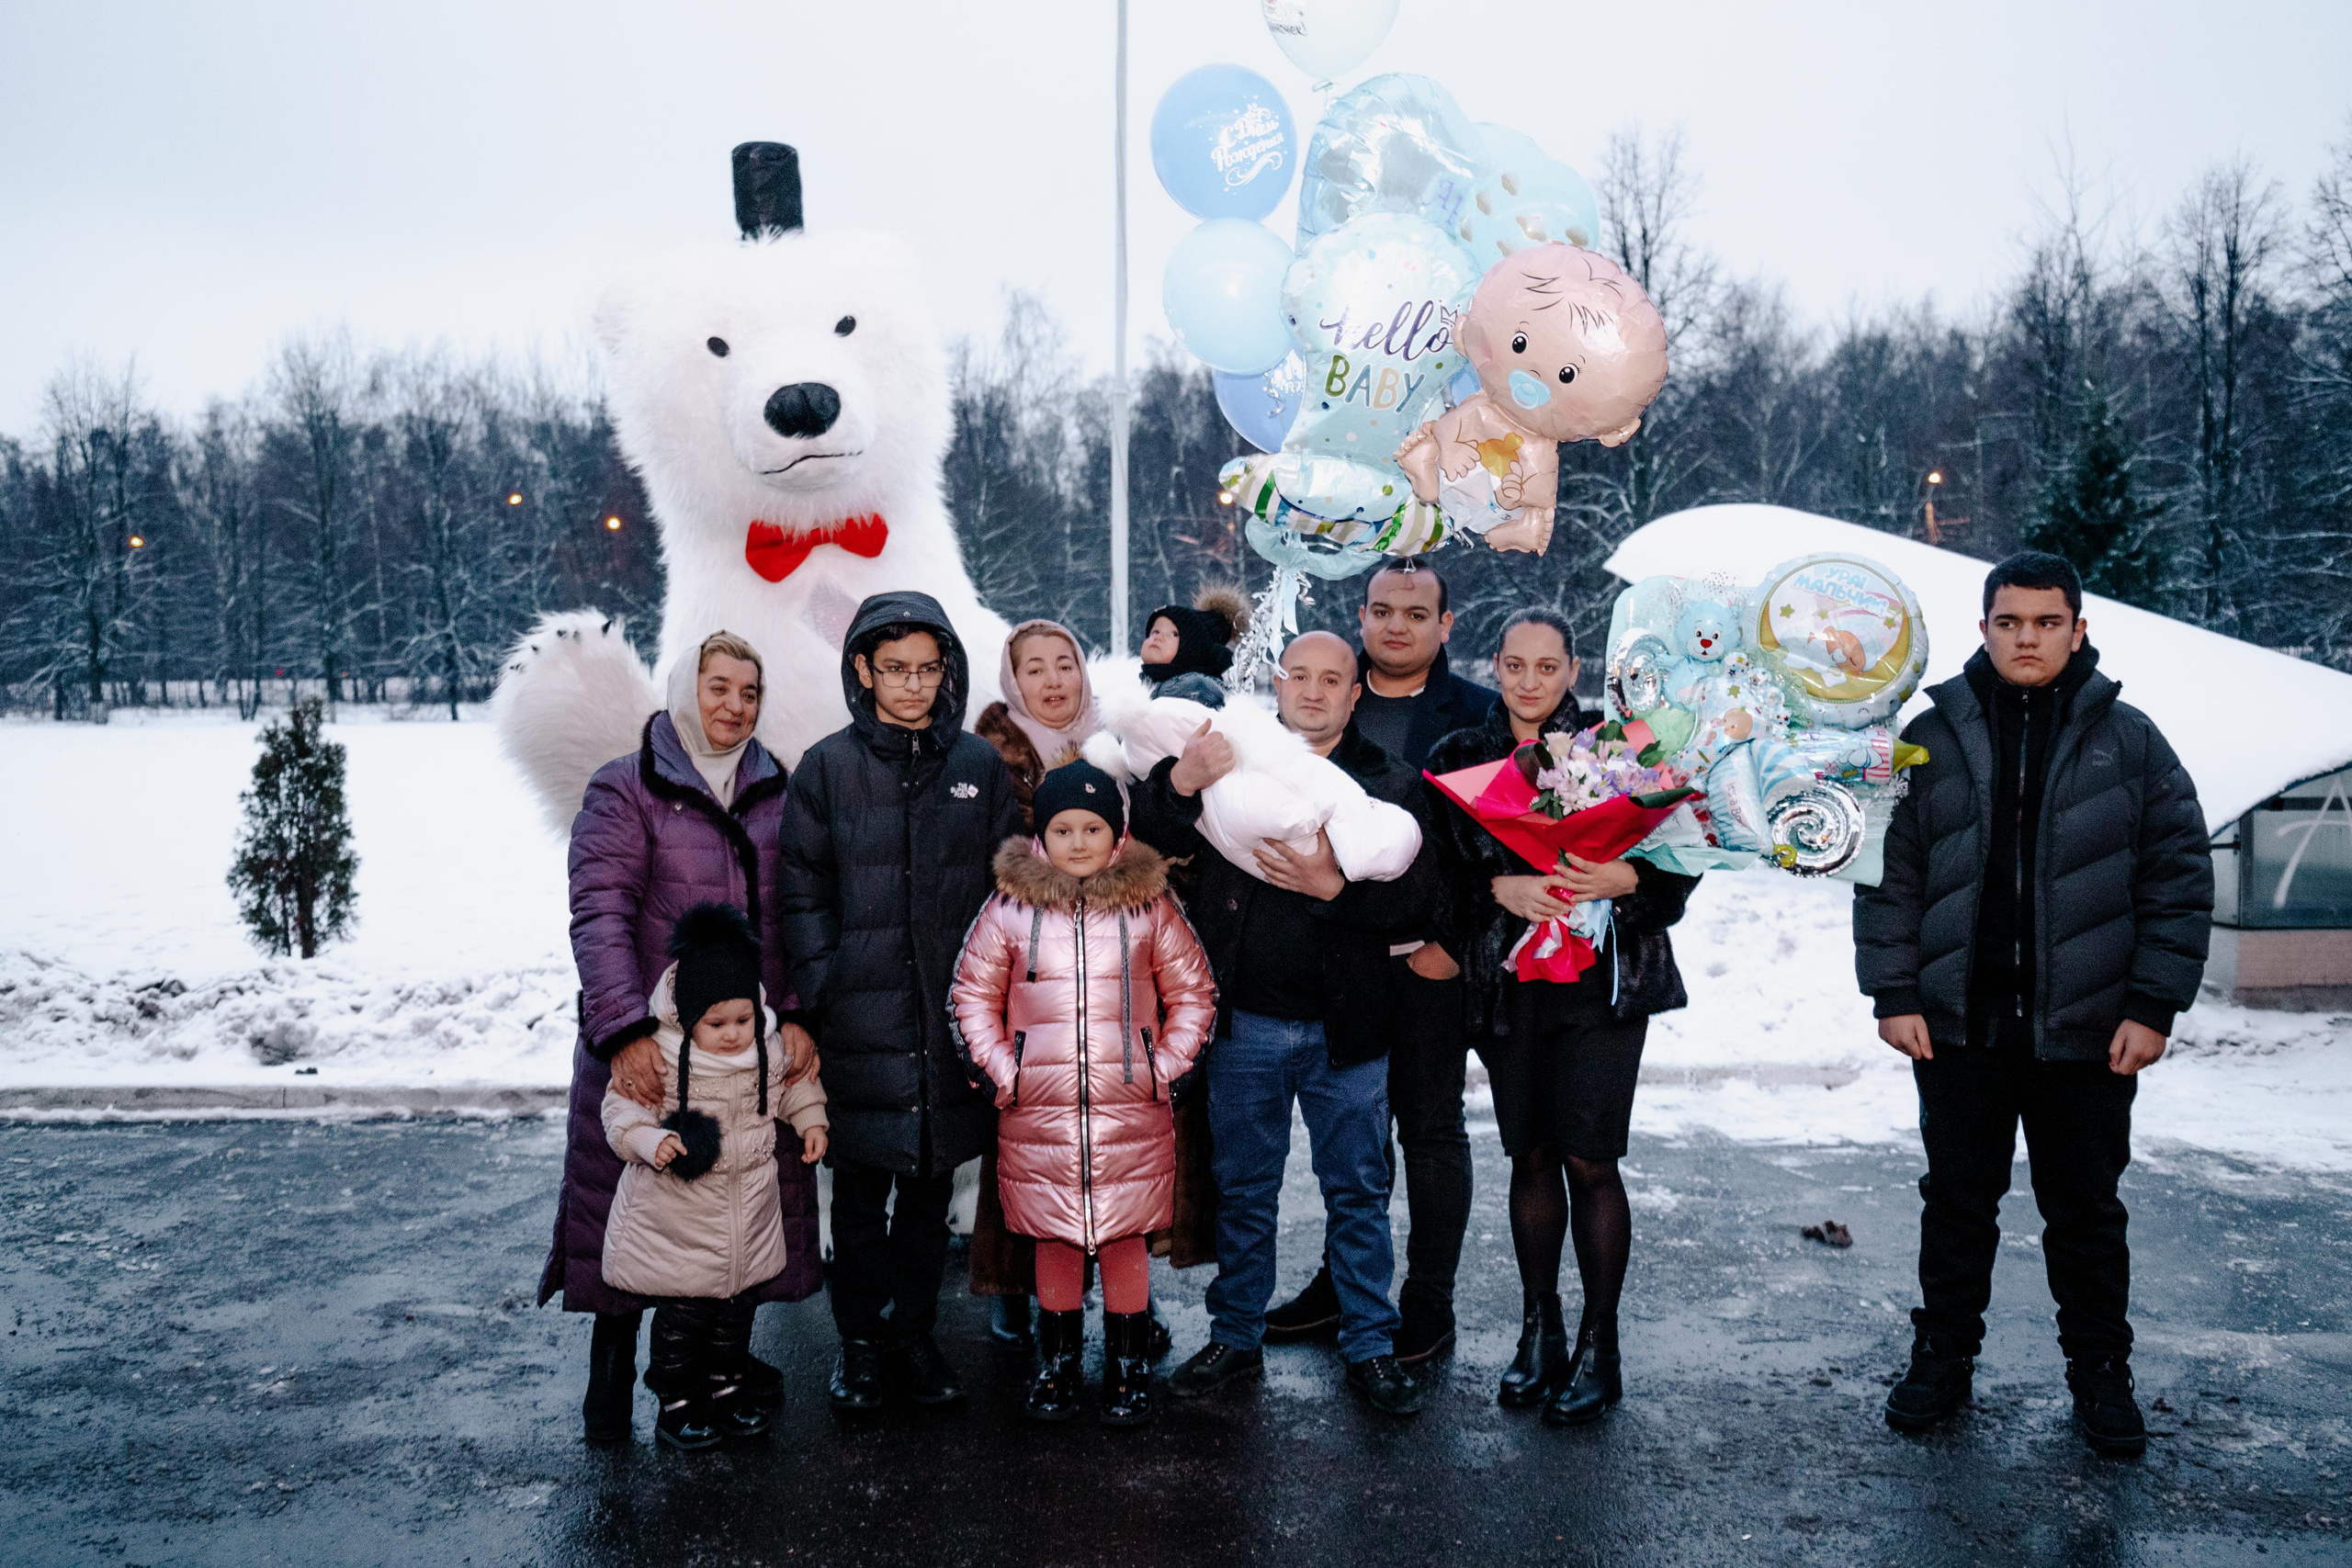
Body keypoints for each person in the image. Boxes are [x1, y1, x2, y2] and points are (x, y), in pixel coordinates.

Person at [1856, 551, 2212, 1457]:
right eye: (2009, 622)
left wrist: (2153, 1004)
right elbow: (1884, 874)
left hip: (2088, 1033)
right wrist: (1894, 990)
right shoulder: (1923, 735)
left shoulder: (2130, 741)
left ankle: (2100, 1375)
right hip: (1960, 1027)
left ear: (2077, 630)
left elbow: (2177, 879)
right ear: (1983, 629)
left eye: (2046, 622)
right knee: (1957, 1205)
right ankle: (1941, 1359)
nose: (2027, 638)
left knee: (2086, 1214)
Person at [1133, 629, 1436, 1418]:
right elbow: (1147, 838)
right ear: (1276, 682)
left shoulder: (1392, 782)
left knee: (1359, 1194)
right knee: (1245, 1191)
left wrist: (1335, 885)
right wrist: (1178, 783)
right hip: (1247, 1022)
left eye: (1330, 678)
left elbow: (1425, 900)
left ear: (1354, 690)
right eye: (1297, 675)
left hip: (1349, 1029)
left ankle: (1371, 1343)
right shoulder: (1232, 750)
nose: (1312, 690)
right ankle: (1236, 1337)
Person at [544, 629, 820, 1445]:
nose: (735, 705)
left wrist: (797, 1013)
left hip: (745, 1051)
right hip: (649, 1048)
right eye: (718, 686)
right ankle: (612, 1383)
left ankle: (718, 1373)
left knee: (731, 1213)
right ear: (681, 689)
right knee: (631, 1216)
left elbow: (799, 912)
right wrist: (623, 1026)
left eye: (749, 691)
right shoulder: (625, 788)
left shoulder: (778, 788)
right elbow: (600, 913)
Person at [1424, 610, 1700, 1427]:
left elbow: (1677, 878)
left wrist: (1628, 880)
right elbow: (1433, 878)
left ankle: (1599, 1344)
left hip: (1603, 984)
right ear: (1497, 665)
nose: (1531, 681)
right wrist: (1496, 891)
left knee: (1590, 1158)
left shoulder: (1624, 755)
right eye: (1515, 665)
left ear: (1573, 667)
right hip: (1509, 986)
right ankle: (1538, 1329)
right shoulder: (1459, 759)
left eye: (1549, 667)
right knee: (1531, 1154)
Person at [776, 592, 1020, 1412]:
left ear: (945, 668)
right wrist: (826, 985)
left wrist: (990, 1001)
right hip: (862, 1020)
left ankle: (915, 1337)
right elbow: (800, 889)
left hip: (949, 1022)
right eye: (895, 669)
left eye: (926, 668)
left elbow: (1005, 893)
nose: (913, 685)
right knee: (858, 1191)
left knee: (928, 1185)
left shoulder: (977, 768)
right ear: (862, 671)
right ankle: (860, 1346)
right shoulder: (826, 767)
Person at [1264, 559, 1498, 1360]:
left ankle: (1429, 1299)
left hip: (1429, 960)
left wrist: (1455, 945)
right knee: (1357, 1140)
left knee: (1431, 1129)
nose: (1397, 625)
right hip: (1342, 959)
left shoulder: (1477, 716)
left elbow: (1492, 848)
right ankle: (1344, 1285)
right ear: (1361, 616)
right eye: (1382, 610)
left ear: (1445, 625)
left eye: (1416, 612)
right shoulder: (1326, 698)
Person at [949, 761, 1217, 1426]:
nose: (1076, 842)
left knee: (1125, 1238)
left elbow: (1193, 991)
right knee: (1055, 1240)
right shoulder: (1009, 907)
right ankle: (1059, 1362)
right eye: (1062, 827)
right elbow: (971, 995)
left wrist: (1165, 1068)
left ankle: (1127, 1368)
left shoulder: (1149, 906)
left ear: (1117, 834)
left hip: (1131, 1108)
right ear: (1042, 834)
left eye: (1091, 828)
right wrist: (1002, 1073)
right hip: (1038, 1113)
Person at [600, 904, 831, 1450]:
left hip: (747, 1218)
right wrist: (649, 1141)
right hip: (679, 1223)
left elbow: (793, 1088)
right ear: (687, 1018)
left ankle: (727, 1389)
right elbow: (620, 1112)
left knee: (734, 1315)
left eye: (743, 1021)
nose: (732, 1036)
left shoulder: (766, 1050)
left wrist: (811, 1118)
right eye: (716, 1024)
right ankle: (677, 1402)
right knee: (683, 1320)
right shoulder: (660, 1057)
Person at [1137, 586, 1250, 705]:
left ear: (1191, 649)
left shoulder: (1195, 690)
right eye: (1155, 632)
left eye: (1174, 634)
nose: (1158, 637)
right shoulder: (1145, 685)